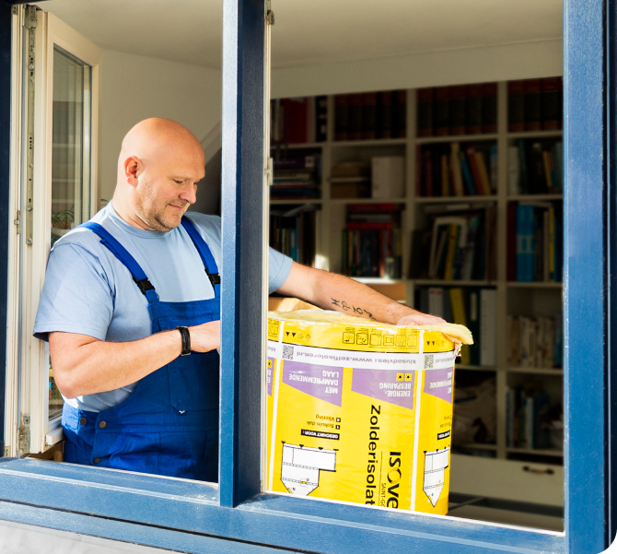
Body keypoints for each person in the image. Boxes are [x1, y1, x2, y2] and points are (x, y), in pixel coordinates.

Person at [33, 117, 444, 482]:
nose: (192, 195)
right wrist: (189, 338)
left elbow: (314, 285)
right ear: (133, 170)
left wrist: (398, 315)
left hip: (221, 463)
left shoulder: (212, 236)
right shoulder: (85, 253)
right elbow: (73, 373)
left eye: (196, 182)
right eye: (179, 182)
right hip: (126, 467)